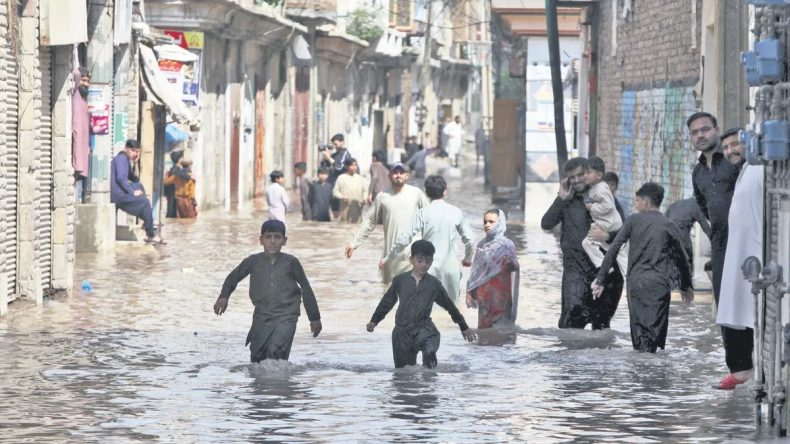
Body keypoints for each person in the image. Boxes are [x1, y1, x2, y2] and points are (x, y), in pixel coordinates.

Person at [592, 183, 694, 353]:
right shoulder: (668, 224)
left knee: (639, 337)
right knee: (653, 338)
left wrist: (601, 278)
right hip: (659, 285)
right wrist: (686, 286)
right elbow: (681, 258)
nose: (635, 204)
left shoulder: (633, 221)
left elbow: (614, 249)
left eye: (637, 201)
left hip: (635, 284)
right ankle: (651, 373)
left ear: (646, 202)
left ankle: (638, 373)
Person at [213, 220, 322, 362]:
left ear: (284, 241)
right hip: (261, 316)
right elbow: (233, 278)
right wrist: (223, 296)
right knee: (258, 359)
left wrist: (314, 318)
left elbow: (306, 288)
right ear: (261, 240)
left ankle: (280, 383)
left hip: (287, 316)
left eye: (277, 237)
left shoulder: (291, 262)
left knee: (276, 352)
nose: (272, 241)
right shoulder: (253, 261)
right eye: (268, 237)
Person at [688, 112, 742, 388]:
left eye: (705, 129)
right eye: (695, 132)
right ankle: (738, 369)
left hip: (744, 238)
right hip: (720, 243)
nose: (700, 135)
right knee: (724, 302)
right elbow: (704, 206)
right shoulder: (697, 172)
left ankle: (756, 362)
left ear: (716, 130)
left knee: (747, 298)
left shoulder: (732, 161)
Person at [540, 158, 624, 329]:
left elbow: (625, 233)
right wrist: (561, 198)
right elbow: (546, 224)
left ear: (589, 173)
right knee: (569, 328)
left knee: (600, 330)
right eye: (572, 177)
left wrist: (607, 235)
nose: (577, 180)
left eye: (581, 175)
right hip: (575, 275)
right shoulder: (566, 201)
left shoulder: (605, 198)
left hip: (603, 275)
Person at [366, 240, 476, 368]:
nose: (424, 265)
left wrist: (464, 326)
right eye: (420, 260)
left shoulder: (434, 285)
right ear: (411, 259)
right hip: (402, 332)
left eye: (428, 261)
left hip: (425, 330)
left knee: (429, 360)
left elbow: (450, 307)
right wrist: (374, 320)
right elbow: (387, 302)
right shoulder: (400, 281)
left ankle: (429, 385)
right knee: (404, 374)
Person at [380, 175, 474, 302]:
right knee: (452, 313)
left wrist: (388, 258)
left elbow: (403, 239)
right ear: (445, 191)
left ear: (427, 192)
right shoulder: (456, 212)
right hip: (451, 270)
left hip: (428, 268)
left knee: (427, 313)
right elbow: (470, 240)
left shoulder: (422, 213)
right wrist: (467, 259)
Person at [715, 127, 758, 390]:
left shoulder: (758, 169)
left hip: (753, 252)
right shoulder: (738, 172)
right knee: (731, 307)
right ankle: (741, 370)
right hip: (727, 249)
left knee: (751, 307)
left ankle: (749, 370)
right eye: (727, 147)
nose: (731, 150)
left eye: (736, 145)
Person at [345, 163, 429, 284]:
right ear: (389, 176)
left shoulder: (417, 194)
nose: (398, 175)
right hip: (390, 256)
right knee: (388, 290)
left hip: (413, 254)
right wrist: (354, 243)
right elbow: (369, 221)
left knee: (413, 290)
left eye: (401, 172)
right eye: (395, 173)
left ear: (407, 176)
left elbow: (430, 219)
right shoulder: (382, 196)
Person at [465, 209, 520, 329]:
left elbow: (515, 267)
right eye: (485, 222)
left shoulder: (507, 245)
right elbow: (476, 272)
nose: (487, 225)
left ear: (500, 223)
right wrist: (469, 292)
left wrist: (509, 263)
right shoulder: (481, 245)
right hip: (484, 295)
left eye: (491, 221)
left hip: (501, 295)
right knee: (484, 331)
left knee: (501, 331)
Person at [581, 157, 627, 274]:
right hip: (607, 225)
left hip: (608, 225)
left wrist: (592, 208)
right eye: (584, 173)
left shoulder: (601, 189)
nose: (585, 176)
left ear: (599, 175)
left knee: (589, 243)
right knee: (617, 254)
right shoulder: (594, 188)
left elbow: (609, 206)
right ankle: (606, 267)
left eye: (589, 173)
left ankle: (604, 266)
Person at [110, 139, 163, 244]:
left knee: (139, 186)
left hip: (121, 193)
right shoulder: (121, 159)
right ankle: (150, 235)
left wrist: (135, 163)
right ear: (126, 148)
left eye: (137, 152)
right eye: (133, 151)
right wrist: (132, 192)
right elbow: (121, 178)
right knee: (145, 202)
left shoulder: (127, 161)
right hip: (117, 196)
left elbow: (135, 179)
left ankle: (148, 221)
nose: (135, 153)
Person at [665, 198, 711, 272]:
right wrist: (717, 243)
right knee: (688, 265)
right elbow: (706, 228)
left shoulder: (676, 203)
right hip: (683, 237)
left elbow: (664, 220)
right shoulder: (696, 205)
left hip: (669, 236)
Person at [72, 67, 90, 203]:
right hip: (75, 158)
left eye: (88, 81)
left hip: (82, 156)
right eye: (83, 80)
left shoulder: (83, 99)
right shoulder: (75, 95)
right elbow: (76, 72)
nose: (86, 84)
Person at [332, 158, 368, 223]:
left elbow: (365, 191)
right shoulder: (341, 178)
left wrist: (365, 198)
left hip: (357, 210)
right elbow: (335, 191)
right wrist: (342, 197)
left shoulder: (361, 178)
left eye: (355, 165)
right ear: (347, 167)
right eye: (352, 165)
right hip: (344, 209)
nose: (354, 167)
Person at [164, 151, 197, 218]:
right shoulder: (177, 171)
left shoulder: (176, 171)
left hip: (177, 199)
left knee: (176, 218)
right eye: (181, 157)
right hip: (183, 199)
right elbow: (192, 194)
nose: (182, 158)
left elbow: (166, 181)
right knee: (188, 221)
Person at [164, 150, 185, 218]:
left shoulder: (176, 169)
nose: (183, 159)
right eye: (182, 157)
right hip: (173, 194)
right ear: (179, 159)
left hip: (173, 193)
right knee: (171, 213)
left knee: (172, 213)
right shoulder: (175, 170)